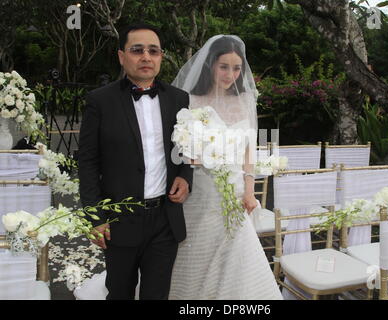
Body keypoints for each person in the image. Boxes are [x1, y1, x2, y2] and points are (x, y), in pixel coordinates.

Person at [77, 23, 193, 300]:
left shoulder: (179, 99)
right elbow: (88, 162)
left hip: (165, 218)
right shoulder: (99, 101)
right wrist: (94, 217)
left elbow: (185, 148)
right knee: (119, 293)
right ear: (121, 56)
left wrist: (185, 176)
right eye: (137, 50)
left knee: (157, 295)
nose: (146, 57)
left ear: (161, 57)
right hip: (120, 221)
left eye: (153, 51)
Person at [169, 35, 283, 299]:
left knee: (237, 257)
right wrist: (195, 157)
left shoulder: (245, 100)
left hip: (235, 193)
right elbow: (179, 149)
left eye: (236, 68)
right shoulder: (190, 101)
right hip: (201, 192)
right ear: (211, 65)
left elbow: (248, 150)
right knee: (198, 253)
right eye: (224, 66)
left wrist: (249, 190)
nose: (230, 74)